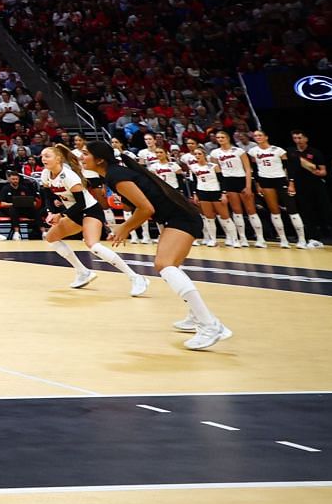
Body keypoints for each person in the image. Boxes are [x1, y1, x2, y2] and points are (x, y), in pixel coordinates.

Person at [83, 139, 231, 351]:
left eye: (85, 154)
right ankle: (196, 316)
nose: (82, 157)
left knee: (164, 265)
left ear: (99, 159)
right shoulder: (113, 175)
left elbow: (146, 208)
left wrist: (125, 227)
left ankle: (210, 325)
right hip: (178, 217)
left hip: (181, 218)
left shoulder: (116, 175)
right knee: (172, 268)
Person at [39, 143, 146, 295]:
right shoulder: (45, 174)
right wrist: (51, 212)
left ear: (58, 159)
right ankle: (83, 272)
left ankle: (136, 277)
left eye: (47, 156)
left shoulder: (69, 176)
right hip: (73, 212)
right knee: (51, 238)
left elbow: (81, 203)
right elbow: (47, 196)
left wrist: (61, 215)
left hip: (89, 210)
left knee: (93, 245)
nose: (43, 159)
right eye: (42, 156)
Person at [247, 128, 305, 249]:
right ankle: (283, 239)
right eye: (255, 136)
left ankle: (302, 239)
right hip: (265, 181)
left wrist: (291, 182)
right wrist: (257, 185)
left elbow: (288, 168)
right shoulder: (253, 151)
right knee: (274, 210)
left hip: (280, 179)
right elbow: (254, 170)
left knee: (292, 209)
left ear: (266, 137)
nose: (257, 137)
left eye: (260, 135)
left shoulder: (278, 150)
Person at [210, 129, 262, 247]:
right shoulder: (214, 153)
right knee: (236, 211)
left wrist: (248, 186)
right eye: (218, 138)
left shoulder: (239, 151)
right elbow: (217, 171)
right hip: (228, 180)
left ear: (228, 138)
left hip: (241, 179)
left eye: (222, 137)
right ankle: (242, 238)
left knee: (251, 210)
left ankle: (260, 238)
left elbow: (248, 169)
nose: (220, 140)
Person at [288, 132, 332, 247]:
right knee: (307, 212)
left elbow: (323, 171)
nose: (297, 140)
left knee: (327, 210)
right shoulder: (291, 152)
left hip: (316, 184)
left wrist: (316, 171)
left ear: (306, 139)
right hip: (300, 186)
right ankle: (313, 238)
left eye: (300, 138)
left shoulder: (314, 152)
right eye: (295, 138)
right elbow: (289, 169)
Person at [185, 142, 231, 248]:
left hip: (215, 191)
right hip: (202, 192)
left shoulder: (213, 166)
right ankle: (213, 239)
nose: (197, 156)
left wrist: (224, 193)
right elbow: (194, 182)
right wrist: (195, 194)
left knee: (224, 216)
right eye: (195, 154)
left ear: (204, 155)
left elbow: (222, 180)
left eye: (199, 154)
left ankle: (233, 238)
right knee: (209, 217)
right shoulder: (193, 167)